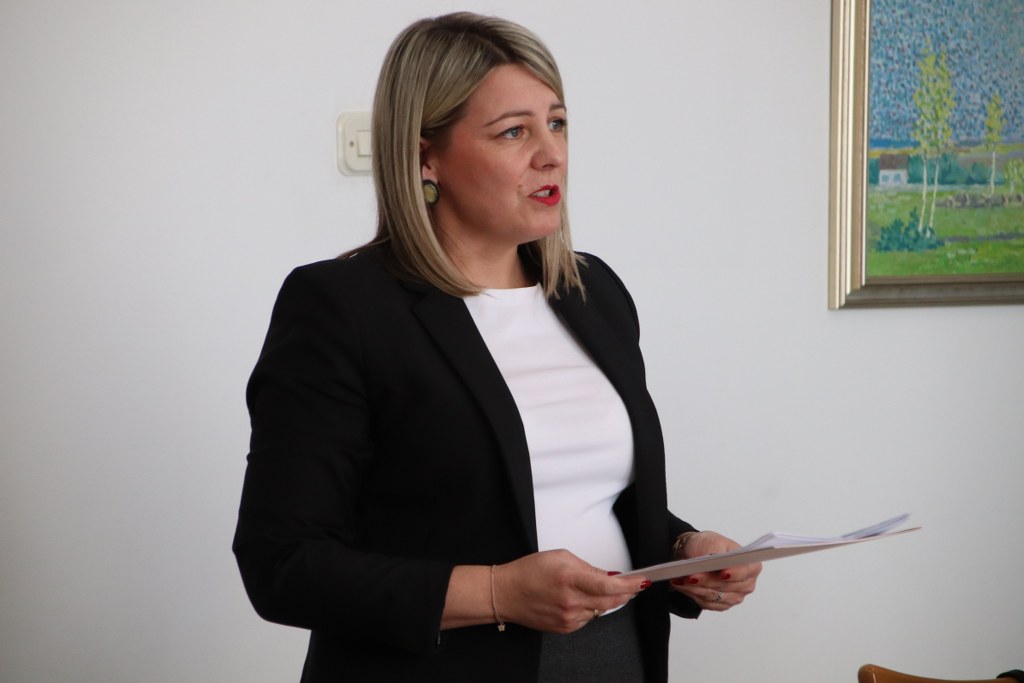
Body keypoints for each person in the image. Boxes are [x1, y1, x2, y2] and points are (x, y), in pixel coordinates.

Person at [233, 11, 760, 683]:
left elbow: (585, 498)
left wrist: (685, 550)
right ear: (425, 156)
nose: (551, 153)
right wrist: (499, 593)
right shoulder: (342, 307)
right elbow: (282, 564)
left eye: (557, 123)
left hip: (616, 658)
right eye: (514, 131)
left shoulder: (593, 291)